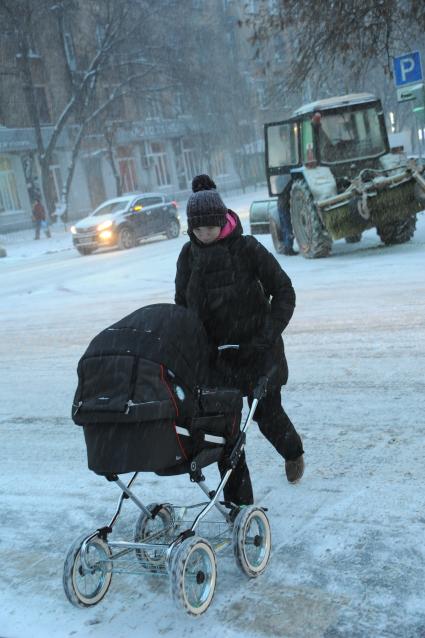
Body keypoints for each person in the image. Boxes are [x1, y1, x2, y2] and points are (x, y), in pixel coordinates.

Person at [175, 174, 304, 506]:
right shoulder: (188, 258)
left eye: (210, 228)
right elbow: (181, 308)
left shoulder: (247, 250)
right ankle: (239, 505)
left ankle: (292, 452)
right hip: (217, 359)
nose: (205, 235)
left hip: (259, 351)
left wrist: (266, 335)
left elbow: (284, 292)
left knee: (266, 415)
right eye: (197, 229)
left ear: (223, 221)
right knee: (225, 432)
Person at [277, 186, 298, 256]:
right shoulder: (288, 187)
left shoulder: (283, 187)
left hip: (281, 207)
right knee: (288, 228)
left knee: (285, 229)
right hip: (284, 208)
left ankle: (286, 248)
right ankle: (289, 249)